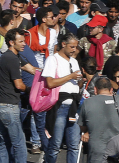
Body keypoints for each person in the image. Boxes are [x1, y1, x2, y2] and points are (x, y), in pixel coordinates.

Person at [0, 28, 35, 163]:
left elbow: (33, 69)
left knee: (4, 141)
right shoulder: (12, 59)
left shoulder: (12, 56)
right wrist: (32, 90)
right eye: (21, 41)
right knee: (19, 143)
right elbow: (19, 85)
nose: (24, 44)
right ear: (11, 42)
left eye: (24, 41)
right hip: (9, 106)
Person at [42, 32, 83, 163]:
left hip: (74, 107)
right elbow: (50, 83)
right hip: (59, 106)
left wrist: (81, 81)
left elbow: (76, 84)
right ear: (63, 44)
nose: (74, 50)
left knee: (74, 145)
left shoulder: (74, 61)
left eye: (76, 47)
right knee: (55, 145)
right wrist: (70, 76)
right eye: (72, 47)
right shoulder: (52, 60)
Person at [78, 76, 119, 163]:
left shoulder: (88, 103)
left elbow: (82, 127)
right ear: (111, 89)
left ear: (95, 90)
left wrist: (88, 131)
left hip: (97, 152)